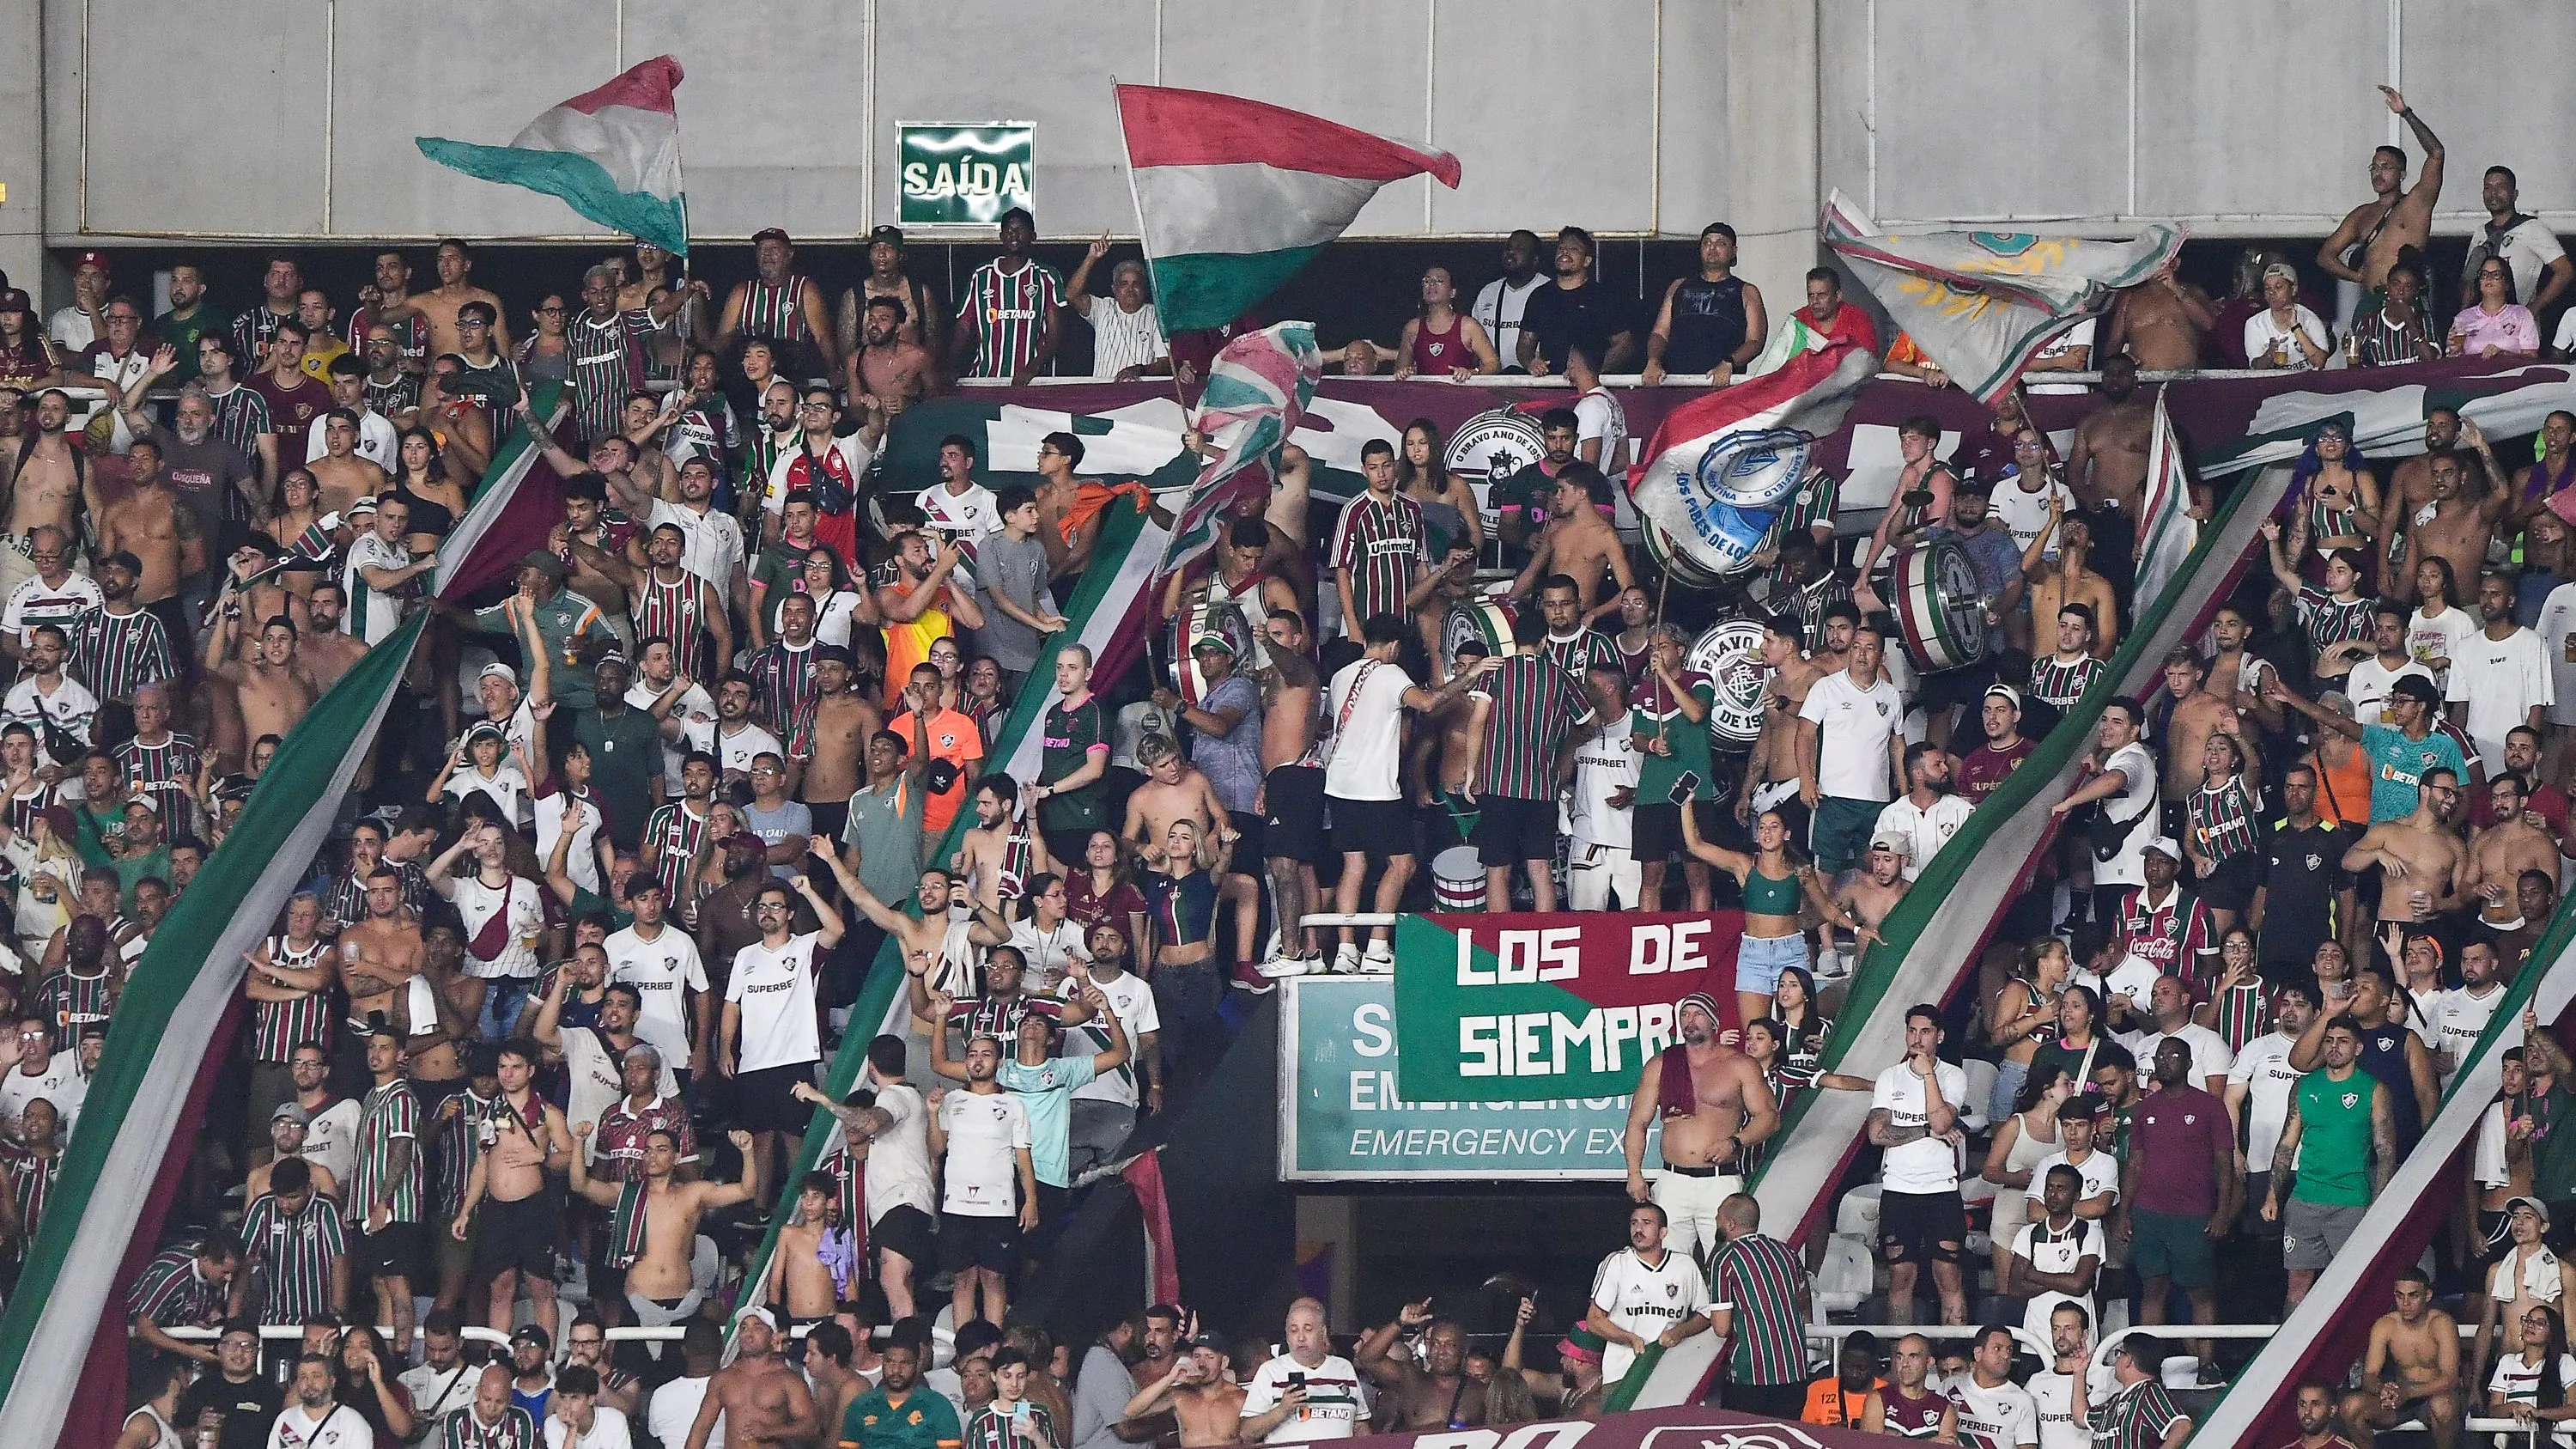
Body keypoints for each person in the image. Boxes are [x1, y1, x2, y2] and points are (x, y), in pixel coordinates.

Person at [1622, 991, 1777, 1260]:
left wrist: (1735, 1142)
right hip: (1673, 1181)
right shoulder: (1662, 1065)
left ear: (1714, 1022)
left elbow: (1769, 1117)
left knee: (1729, 1258)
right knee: (1669, 1264)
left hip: (1720, 1180)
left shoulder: (1740, 1065)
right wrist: (1634, 1173)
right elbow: (1637, 1122)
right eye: (1684, 1014)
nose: (1689, 1020)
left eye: (1697, 1014)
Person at [2267, 1015, 2397, 1308]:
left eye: (2343, 1041)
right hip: (2304, 1199)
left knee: (2353, 1287)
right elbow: (2286, 1144)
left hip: (2351, 1201)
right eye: (2329, 1041)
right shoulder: (2304, 1086)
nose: (2334, 1047)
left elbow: (2386, 1150)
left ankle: (2356, 1356)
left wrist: (2377, 1204)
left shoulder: (2374, 1089)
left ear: (2358, 1049)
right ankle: (2294, 1354)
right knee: (2297, 1286)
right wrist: (2272, 1194)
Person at [1870, 1006, 1972, 1324]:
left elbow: (1943, 1120)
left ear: (1939, 1036)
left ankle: (1954, 1357)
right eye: (1912, 1031)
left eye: (1925, 1032)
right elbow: (1877, 1134)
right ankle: (1901, 1360)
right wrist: (1925, 1132)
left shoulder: (1954, 1075)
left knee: (1948, 1275)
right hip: (1899, 1190)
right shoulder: (1890, 1077)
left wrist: (1928, 1073)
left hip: (1941, 1190)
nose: (1917, 1039)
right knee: (1901, 1277)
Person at [1799, 618, 1907, 879]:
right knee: (1825, 873)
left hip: (1877, 801)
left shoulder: (1891, 695)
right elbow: (1804, 735)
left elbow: (1897, 743)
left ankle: (1864, 922)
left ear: (1881, 656)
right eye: (1857, 647)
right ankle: (1824, 922)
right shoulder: (1827, 687)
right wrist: (1805, 780)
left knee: (1871, 874)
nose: (1861, 653)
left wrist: (1903, 791)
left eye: (1869, 648)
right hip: (1832, 797)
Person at [1702, 1194, 1811, 1417]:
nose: (1716, 1220)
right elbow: (1803, 1300)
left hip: (1751, 1373)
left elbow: (1721, 1328)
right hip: (1795, 1370)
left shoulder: (1725, 1259)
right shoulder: (1787, 1252)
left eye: (1718, 1216)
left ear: (1730, 1223)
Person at [2341, 1269, 2464, 1449]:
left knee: (2443, 1406)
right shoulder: (2385, 1325)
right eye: (2400, 1296)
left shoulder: (2441, 1323)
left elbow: (2450, 1378)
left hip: (2434, 1396)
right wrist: (2382, 1389)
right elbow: (2369, 1375)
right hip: (2399, 1399)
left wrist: (2408, 1393)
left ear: (2427, 1295)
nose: (2406, 1303)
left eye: (2413, 1296)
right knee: (2350, 1407)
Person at [1643, 222, 1765, 385]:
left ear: (1733, 251)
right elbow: (1660, 333)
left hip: (1721, 388)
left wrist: (1729, 363)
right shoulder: (1678, 286)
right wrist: (1653, 361)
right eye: (1707, 243)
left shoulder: (1746, 292)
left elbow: (1755, 341)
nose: (1712, 248)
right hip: (1676, 385)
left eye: (1720, 243)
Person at [683, 1308, 816, 1449]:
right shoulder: (723, 1378)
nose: (748, 1333)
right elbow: (701, 1428)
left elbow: (810, 1426)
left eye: (757, 1327)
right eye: (744, 1328)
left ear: (773, 1337)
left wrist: (770, 1431)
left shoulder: (788, 1379)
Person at [1241, 1299, 1366, 1444]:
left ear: (1323, 1332)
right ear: (1287, 1336)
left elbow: (1360, 1426)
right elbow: (1246, 1432)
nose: (1301, 1337)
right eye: (1294, 1331)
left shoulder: (1344, 1368)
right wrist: (1282, 1410)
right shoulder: (1270, 1371)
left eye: (1308, 1329)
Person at [839, 1333, 963, 1449]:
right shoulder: (861, 1405)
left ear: (917, 1364)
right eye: (890, 1362)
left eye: (905, 1363)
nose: (896, 1370)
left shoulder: (938, 1406)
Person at [2092, 1334, 2193, 1449]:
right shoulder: (2116, 1400)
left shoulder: (2149, 1392)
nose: (2116, 1360)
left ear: (2128, 1360)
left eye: (2119, 1354)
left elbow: (2183, 1426)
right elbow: (2080, 1418)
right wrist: (2079, 1373)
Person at [1858, 1332, 1957, 1439]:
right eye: (1900, 1357)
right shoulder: (1879, 1399)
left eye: (1913, 1357)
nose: (1905, 1364)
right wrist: (1928, 1444)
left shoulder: (1944, 1408)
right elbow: (1871, 1445)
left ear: (1929, 1362)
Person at [266, 1353, 369, 1449]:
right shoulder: (285, 1419)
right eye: (303, 1377)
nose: (309, 1383)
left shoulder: (351, 1422)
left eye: (316, 1376)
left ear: (332, 1381)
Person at [1802, 1332, 1885, 1430]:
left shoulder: (1888, 1394)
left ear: (1874, 1363)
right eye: (1848, 1366)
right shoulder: (1817, 1390)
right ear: (1841, 1358)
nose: (1854, 1374)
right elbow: (1804, 1436)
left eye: (1862, 1369)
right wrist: (1828, 1434)